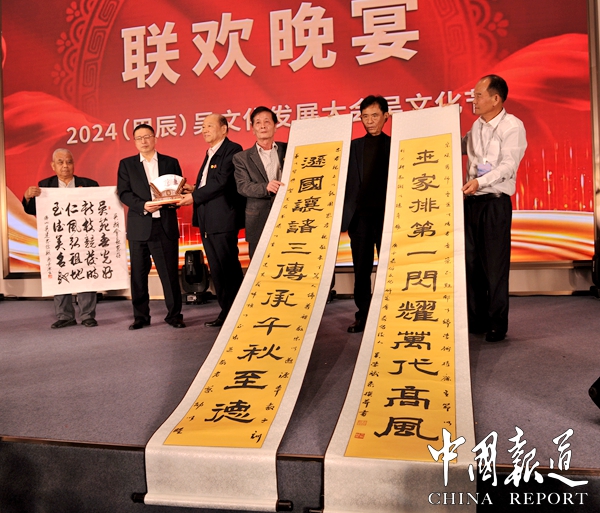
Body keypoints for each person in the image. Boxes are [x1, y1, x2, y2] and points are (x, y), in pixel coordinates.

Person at [462, 74, 527, 342]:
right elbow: (460, 145)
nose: (474, 100)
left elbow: (508, 166)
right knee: (472, 263)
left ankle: (497, 323)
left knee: (495, 266)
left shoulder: (512, 126)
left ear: (496, 98)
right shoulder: (476, 126)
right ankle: (476, 319)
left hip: (494, 202)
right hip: (471, 203)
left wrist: (480, 181)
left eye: (478, 95)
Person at [117, 123, 185, 330]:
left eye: (147, 136)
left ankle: (174, 316)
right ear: (134, 142)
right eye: (139, 138)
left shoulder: (170, 162)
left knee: (169, 274)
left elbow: (178, 190)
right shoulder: (127, 164)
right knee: (138, 275)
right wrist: (143, 205)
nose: (144, 141)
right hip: (139, 226)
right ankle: (141, 317)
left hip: (164, 226)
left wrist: (173, 200)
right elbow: (124, 193)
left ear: (155, 138)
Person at [178, 114, 244, 328]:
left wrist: (194, 197)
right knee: (216, 269)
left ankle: (237, 313)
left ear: (224, 129)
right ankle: (226, 312)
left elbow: (222, 182)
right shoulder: (210, 152)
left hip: (223, 218)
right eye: (203, 126)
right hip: (207, 219)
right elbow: (210, 183)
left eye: (209, 126)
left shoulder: (232, 149)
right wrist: (194, 189)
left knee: (228, 267)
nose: (204, 130)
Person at [22, 148, 99, 328]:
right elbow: (32, 210)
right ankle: (65, 315)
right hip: (58, 239)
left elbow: (100, 207)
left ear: (74, 164)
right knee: (60, 274)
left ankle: (87, 315)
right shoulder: (45, 185)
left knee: (86, 273)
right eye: (60, 162)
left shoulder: (89, 184)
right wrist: (27, 197)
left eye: (69, 162)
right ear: (53, 166)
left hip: (83, 237)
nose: (65, 166)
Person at [341, 95, 391, 333]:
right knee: (361, 270)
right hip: (359, 218)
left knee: (388, 268)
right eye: (365, 116)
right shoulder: (353, 147)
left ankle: (388, 314)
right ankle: (363, 315)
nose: (369, 121)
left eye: (374, 116)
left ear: (386, 116)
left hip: (387, 218)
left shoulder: (397, 145)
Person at [233, 106, 287, 260]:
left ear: (275, 126)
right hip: (258, 219)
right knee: (259, 264)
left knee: (286, 259)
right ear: (253, 129)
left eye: (267, 122)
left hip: (286, 214)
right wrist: (265, 187)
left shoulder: (288, 148)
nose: (263, 126)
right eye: (258, 122)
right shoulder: (241, 158)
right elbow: (243, 186)